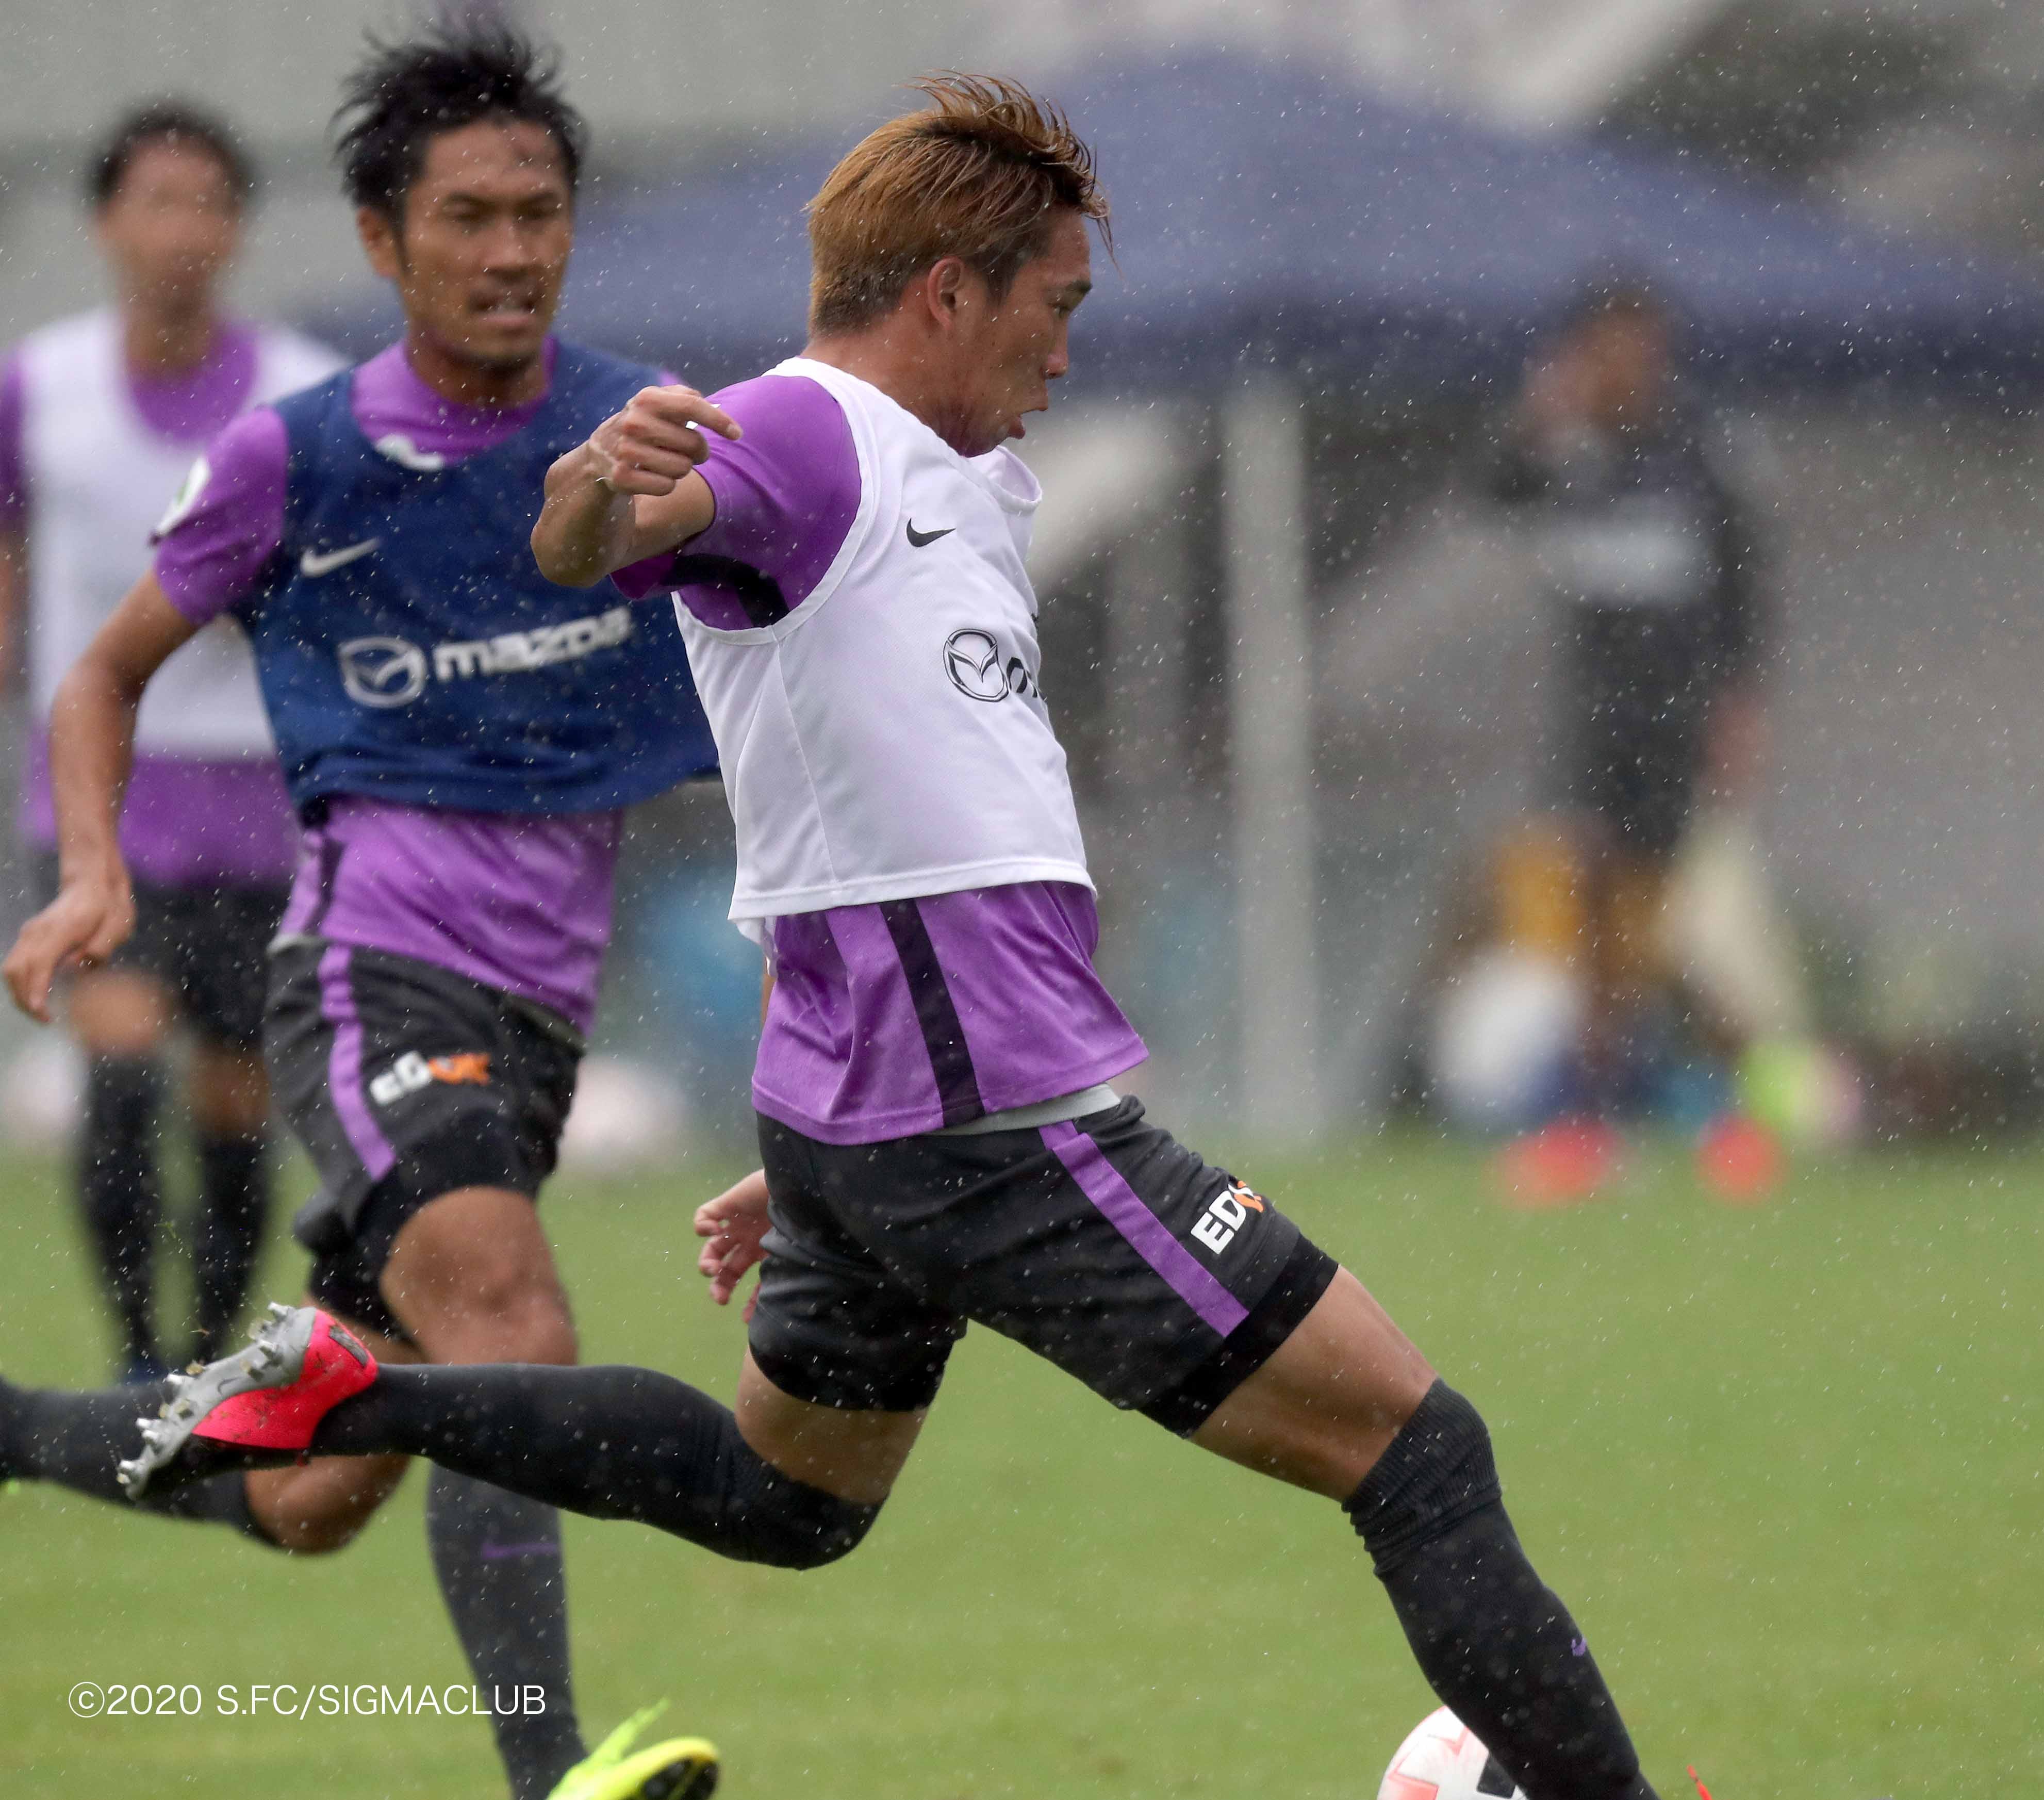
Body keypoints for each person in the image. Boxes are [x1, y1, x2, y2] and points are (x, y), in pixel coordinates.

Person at [106, 76, 1663, 1800]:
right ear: (948, 290)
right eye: (1053, 309)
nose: (1066, 355)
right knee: (1417, 1448)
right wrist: (588, 498)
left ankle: (357, 1391)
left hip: (877, 1117)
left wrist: (830, 1157)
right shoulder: (807, 432)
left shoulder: (952, 476)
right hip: (982, 1122)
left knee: (790, 1505)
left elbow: (901, 817)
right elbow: (605, 533)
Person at [0, 25, 718, 1800]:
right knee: (513, 1329)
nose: (510, 251)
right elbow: (97, 680)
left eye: (538, 212)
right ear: (384, 239)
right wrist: (88, 869)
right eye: (466, 216)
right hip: (368, 978)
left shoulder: (650, 433)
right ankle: (555, 1777)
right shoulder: (295, 459)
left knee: (315, 1494)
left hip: (533, 1027)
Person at [0, 103, 342, 1380]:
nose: (183, 231)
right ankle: (139, 1354)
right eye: (156, 201)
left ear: (240, 226)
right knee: (126, 1067)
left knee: (237, 1106)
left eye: (208, 203)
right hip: (107, 794)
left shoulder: (306, 385)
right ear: (104, 223)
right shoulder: (41, 386)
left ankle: (207, 1359)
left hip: (267, 792)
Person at [1488, 280, 1766, 1118]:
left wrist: (1740, 701)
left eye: (1640, 345)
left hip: (1673, 712)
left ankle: (1709, 1078)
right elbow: (1489, 487)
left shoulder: (1698, 450)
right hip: (1590, 713)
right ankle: (1596, 1090)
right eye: (1609, 346)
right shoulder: (1567, 447)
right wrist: (1539, 418)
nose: (1627, 364)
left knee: (1669, 905)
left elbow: (1746, 580)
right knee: (1591, 885)